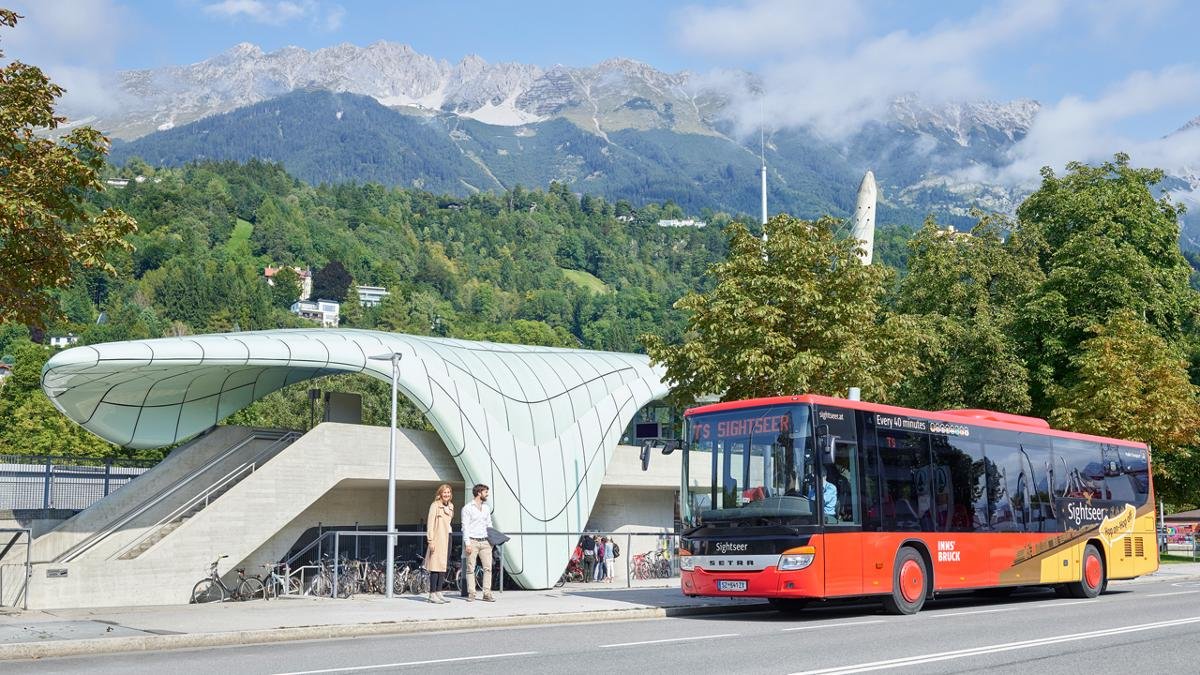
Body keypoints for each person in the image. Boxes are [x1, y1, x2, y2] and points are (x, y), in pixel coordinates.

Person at [461, 483, 495, 602]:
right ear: (479, 493)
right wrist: (467, 543)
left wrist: (491, 540)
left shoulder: (486, 508)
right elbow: (465, 527)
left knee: (488, 568)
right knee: (470, 568)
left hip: (485, 542)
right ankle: (472, 593)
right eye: (485, 492)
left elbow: (489, 524)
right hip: (473, 541)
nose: (487, 494)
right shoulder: (467, 508)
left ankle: (487, 593)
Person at [424, 483, 454, 603]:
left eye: (448, 492)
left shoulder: (451, 506)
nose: (446, 494)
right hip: (437, 538)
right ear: (440, 494)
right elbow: (430, 524)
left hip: (448, 537)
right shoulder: (435, 505)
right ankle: (432, 594)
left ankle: (438, 592)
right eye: (444, 492)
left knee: (443, 566)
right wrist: (430, 540)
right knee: (435, 567)